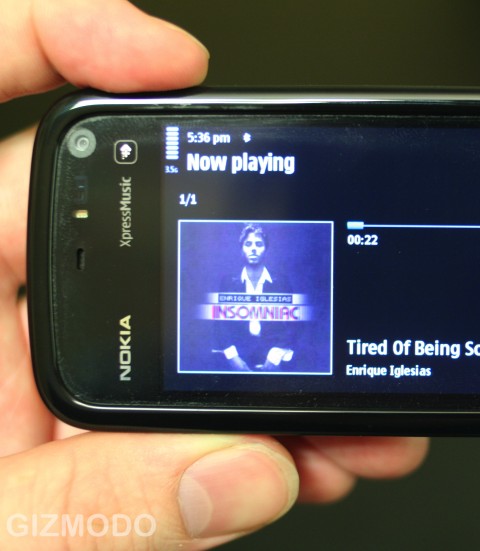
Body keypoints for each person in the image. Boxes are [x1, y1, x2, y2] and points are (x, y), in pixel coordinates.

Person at [0, 1, 428, 549]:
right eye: (247, 238)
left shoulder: (284, 288)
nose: (253, 244)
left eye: (259, 239)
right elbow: (217, 334)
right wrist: (234, 360)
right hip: (235, 368)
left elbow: (300, 332)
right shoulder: (219, 288)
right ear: (241, 245)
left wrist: (280, 357)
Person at [218, 224, 296, 371]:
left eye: (259, 244)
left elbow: (292, 326)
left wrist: (275, 356)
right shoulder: (228, 283)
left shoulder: (281, 282)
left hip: (272, 353)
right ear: (241, 249)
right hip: (239, 354)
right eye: (248, 244)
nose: (253, 249)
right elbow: (220, 326)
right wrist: (233, 358)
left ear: (266, 249)